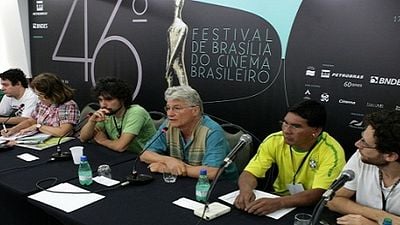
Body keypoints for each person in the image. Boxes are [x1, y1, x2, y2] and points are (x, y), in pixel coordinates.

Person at [234, 99, 346, 215]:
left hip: (310, 208)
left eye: (296, 126)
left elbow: (319, 193)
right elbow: (249, 173)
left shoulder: (332, 152)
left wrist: (279, 203)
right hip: (277, 199)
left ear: (316, 131)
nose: (286, 130)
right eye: (285, 123)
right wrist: (245, 191)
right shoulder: (274, 140)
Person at [140, 85, 237, 180]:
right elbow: (145, 154)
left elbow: (212, 172)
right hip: (187, 182)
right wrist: (168, 160)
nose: (170, 114)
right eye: (168, 108)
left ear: (195, 110)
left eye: (177, 108)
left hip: (220, 187)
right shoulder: (168, 125)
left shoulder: (212, 131)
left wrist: (168, 169)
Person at [327, 110, 400, 225]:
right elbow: (332, 199)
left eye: (365, 143)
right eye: (362, 138)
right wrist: (379, 215)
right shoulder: (361, 157)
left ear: (390, 156)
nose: (357, 144)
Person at [79, 77, 156, 154]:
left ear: (122, 99)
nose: (103, 104)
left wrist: (103, 141)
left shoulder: (136, 112)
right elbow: (83, 138)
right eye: (100, 100)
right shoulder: (107, 113)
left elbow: (121, 147)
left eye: (109, 99)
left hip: (145, 158)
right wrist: (92, 122)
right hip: (123, 155)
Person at [0, 72, 79, 137]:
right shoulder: (42, 103)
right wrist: (14, 130)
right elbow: (31, 121)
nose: (39, 98)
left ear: (53, 93)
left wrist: (38, 127)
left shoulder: (67, 105)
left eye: (41, 95)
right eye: (38, 95)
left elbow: (62, 132)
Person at [165, 0, 189, 87]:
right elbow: (169, 49)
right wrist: (168, 66)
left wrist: (169, 65)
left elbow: (177, 48)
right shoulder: (170, 28)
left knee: (186, 90)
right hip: (172, 63)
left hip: (178, 64)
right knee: (169, 92)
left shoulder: (183, 27)